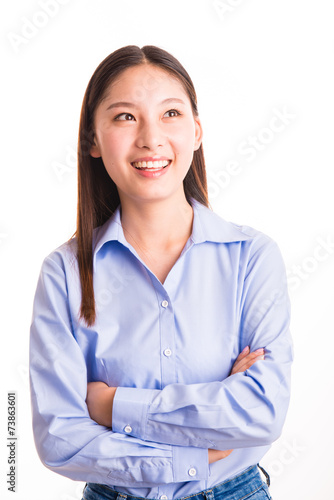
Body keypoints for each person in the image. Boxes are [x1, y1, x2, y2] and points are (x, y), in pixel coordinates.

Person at [29, 45, 293, 500]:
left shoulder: (251, 257)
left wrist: (113, 406)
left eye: (170, 113)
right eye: (125, 117)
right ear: (92, 140)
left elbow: (260, 412)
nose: (151, 138)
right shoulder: (65, 273)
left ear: (196, 131)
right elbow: (59, 438)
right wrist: (188, 453)